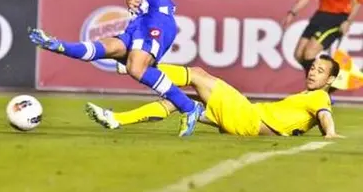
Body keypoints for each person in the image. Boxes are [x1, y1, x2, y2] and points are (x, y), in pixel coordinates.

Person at [28, 0, 204, 137]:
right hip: (140, 23)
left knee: (136, 67)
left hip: (156, 20)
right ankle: (58, 46)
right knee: (106, 48)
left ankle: (189, 108)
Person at [85, 55, 344, 139]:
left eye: (320, 71)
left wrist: (330, 133)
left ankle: (134, 66)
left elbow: (325, 115)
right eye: (312, 67)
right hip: (244, 122)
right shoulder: (309, 95)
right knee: (178, 101)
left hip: (248, 117)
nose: (313, 72)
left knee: (197, 74)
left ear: (330, 81)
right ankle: (116, 118)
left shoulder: (320, 97)